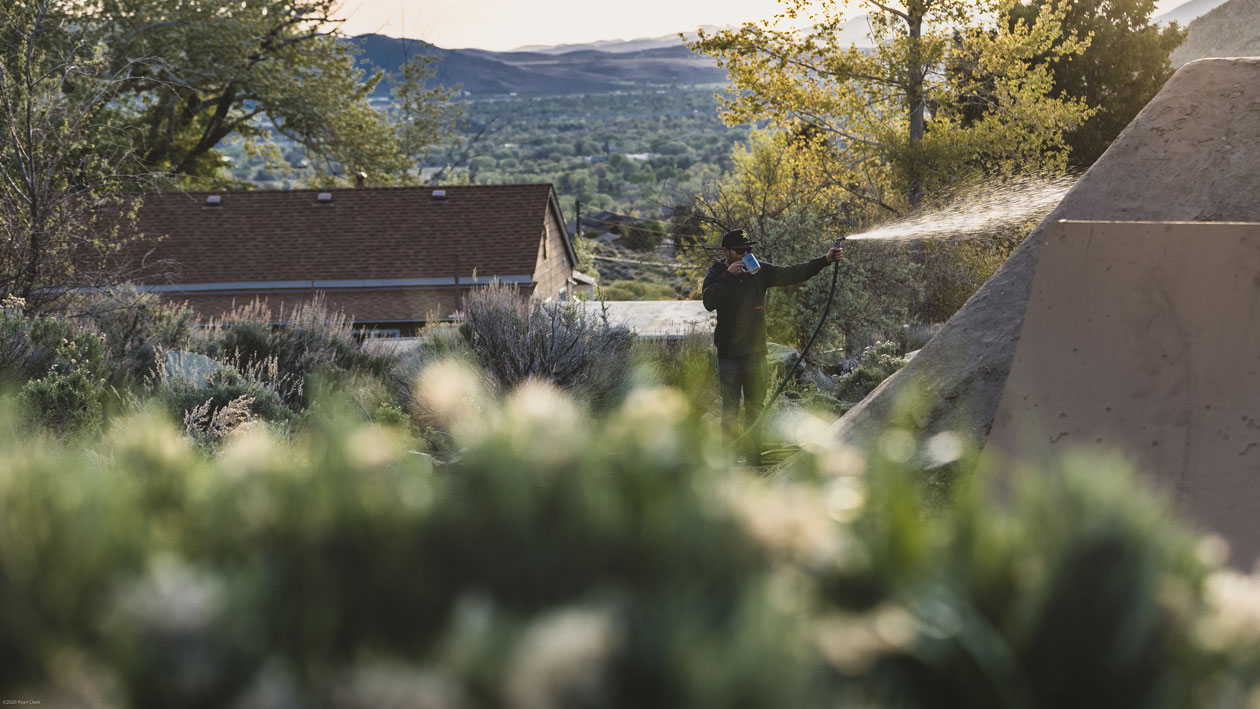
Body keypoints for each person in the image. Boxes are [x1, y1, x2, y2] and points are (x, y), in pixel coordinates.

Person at [701, 228, 844, 465]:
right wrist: (729, 275)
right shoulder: (716, 273)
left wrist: (825, 260)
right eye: (741, 251)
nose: (747, 254)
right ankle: (726, 461)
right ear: (726, 252)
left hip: (756, 354)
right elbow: (708, 301)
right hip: (729, 356)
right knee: (730, 411)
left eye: (749, 250)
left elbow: (792, 273)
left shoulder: (760, 270)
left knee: (755, 409)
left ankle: (753, 461)